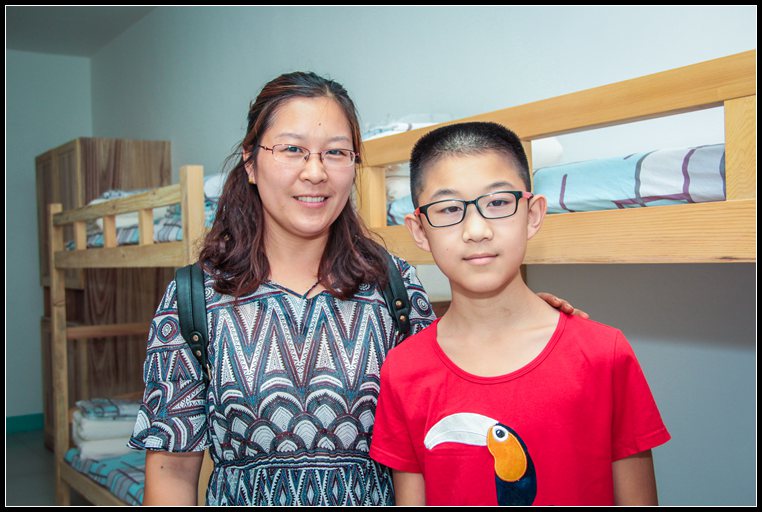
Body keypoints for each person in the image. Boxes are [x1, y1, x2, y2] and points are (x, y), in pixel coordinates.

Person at [129, 73, 584, 506]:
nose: (315, 172)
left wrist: (517, 317)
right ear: (250, 162)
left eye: (335, 152)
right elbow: (172, 471)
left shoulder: (393, 286)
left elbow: (451, 385)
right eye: (292, 149)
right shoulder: (195, 299)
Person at [369, 122, 671, 506]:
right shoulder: (404, 370)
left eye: (497, 203)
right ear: (419, 230)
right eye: (449, 209)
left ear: (533, 214)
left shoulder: (603, 354)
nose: (476, 230)